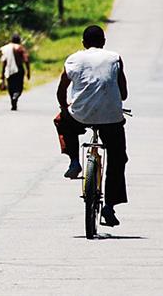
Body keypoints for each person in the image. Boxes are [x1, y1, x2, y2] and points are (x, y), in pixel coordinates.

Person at [53, 25, 129, 227]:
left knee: (61, 120)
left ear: (84, 43)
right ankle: (109, 206)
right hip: (111, 118)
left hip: (80, 115)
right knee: (118, 158)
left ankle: (74, 161)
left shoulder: (74, 59)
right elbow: (124, 94)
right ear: (103, 42)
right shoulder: (115, 58)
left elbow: (61, 89)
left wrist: (64, 106)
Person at [0, 33, 30, 111]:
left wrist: (2, 75)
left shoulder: (7, 48)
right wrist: (28, 71)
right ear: (19, 40)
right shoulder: (20, 48)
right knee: (19, 87)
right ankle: (16, 96)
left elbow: (4, 62)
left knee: (11, 86)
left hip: (9, 70)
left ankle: (13, 101)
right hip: (19, 69)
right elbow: (26, 60)